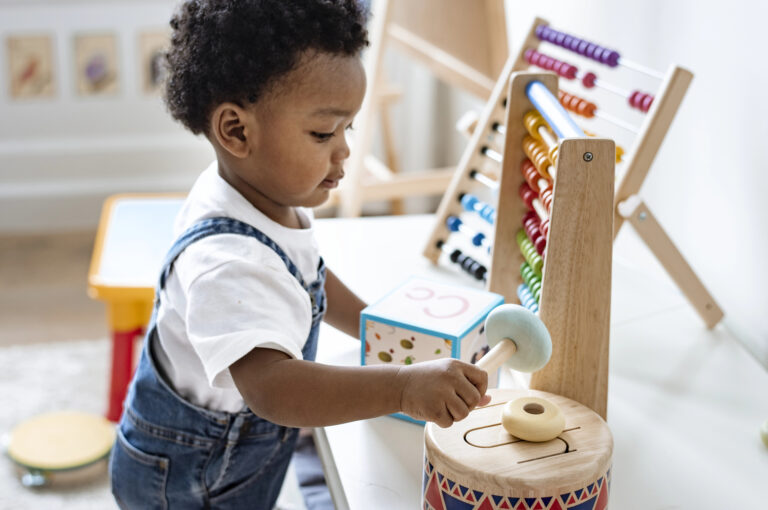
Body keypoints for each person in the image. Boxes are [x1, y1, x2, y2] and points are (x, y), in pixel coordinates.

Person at [109, 1, 491, 508]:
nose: (344, 152)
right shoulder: (227, 262)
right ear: (237, 131)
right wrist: (400, 387)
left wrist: (378, 327)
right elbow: (274, 388)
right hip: (187, 477)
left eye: (348, 129)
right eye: (323, 133)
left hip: (231, 455)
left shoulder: (264, 196)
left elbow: (309, 277)